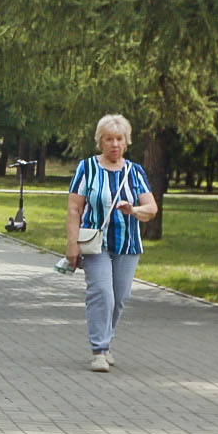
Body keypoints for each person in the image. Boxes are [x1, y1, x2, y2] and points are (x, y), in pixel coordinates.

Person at [66, 114, 159, 372]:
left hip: (128, 244)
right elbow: (74, 209)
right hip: (96, 243)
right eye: (109, 139)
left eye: (119, 139)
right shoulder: (87, 168)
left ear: (126, 142)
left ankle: (106, 343)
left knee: (119, 298)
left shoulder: (135, 171)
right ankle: (98, 350)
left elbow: (151, 208)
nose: (114, 144)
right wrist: (72, 244)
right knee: (102, 295)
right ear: (100, 142)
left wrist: (134, 211)